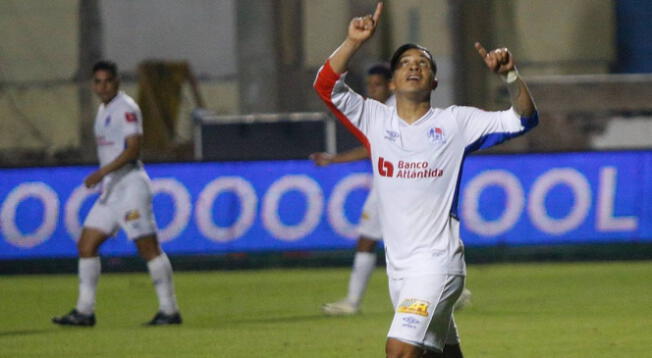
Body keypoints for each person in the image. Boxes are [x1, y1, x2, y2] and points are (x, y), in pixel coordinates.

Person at [313, 3, 538, 358]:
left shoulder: (456, 122)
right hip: (398, 270)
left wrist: (510, 76)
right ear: (393, 81)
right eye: (404, 63)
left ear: (434, 80)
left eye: (422, 63)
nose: (413, 67)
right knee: (442, 353)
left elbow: (523, 120)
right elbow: (326, 86)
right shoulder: (374, 119)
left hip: (436, 263)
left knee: (399, 350)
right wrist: (352, 42)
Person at [314, 65, 471, 316]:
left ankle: (447, 289)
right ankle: (355, 301)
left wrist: (334, 160)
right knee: (375, 239)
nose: (371, 89)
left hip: (401, 186)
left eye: (377, 84)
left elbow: (372, 149)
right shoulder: (385, 109)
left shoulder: (394, 109)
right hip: (388, 186)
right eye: (369, 85)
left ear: (390, 85)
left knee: (406, 241)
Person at [52, 61, 182, 327]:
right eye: (97, 82)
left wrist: (101, 173)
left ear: (117, 81)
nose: (102, 87)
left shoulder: (127, 109)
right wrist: (105, 178)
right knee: (86, 245)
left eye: (107, 81)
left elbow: (134, 149)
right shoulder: (103, 110)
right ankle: (85, 312)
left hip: (131, 187)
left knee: (148, 248)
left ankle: (170, 310)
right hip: (111, 190)